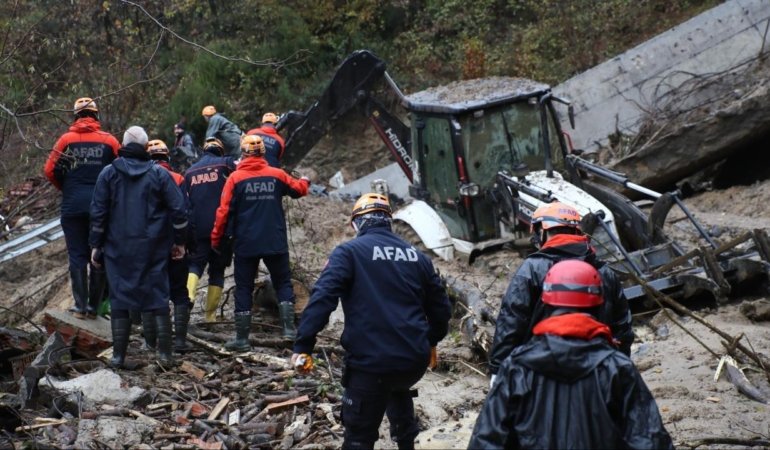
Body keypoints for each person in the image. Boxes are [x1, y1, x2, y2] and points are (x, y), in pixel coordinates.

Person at [292, 193, 452, 450]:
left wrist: (303, 345)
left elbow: (323, 298)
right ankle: (406, 439)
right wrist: (431, 341)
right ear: (388, 221)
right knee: (397, 386)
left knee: (358, 436)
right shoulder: (417, 256)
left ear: (357, 223)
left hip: (372, 365)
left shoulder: (349, 252)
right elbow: (442, 309)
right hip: (414, 361)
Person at [468, 259, 673, 449]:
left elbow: (487, 441)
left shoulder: (517, 367)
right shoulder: (618, 368)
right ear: (598, 304)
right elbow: (650, 441)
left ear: (546, 303)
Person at [487, 201, 634, 386]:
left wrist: (498, 368)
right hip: (597, 372)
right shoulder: (604, 271)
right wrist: (619, 367)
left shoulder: (532, 269)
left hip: (542, 374)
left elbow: (511, 321)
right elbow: (622, 327)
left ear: (542, 232)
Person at [89, 126, 188, 368]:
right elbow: (179, 210)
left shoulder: (107, 174)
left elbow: (98, 213)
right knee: (157, 296)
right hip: (153, 247)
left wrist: (96, 245)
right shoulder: (159, 174)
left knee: (119, 298)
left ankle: (118, 357)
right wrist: (180, 241)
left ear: (123, 145)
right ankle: (165, 355)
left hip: (117, 249)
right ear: (146, 148)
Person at [210, 134, 310, 348]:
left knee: (244, 287)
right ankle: (289, 332)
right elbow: (298, 190)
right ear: (263, 152)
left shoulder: (235, 179)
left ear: (243, 153)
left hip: (246, 242)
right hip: (275, 239)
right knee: (283, 283)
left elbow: (223, 212)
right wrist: (305, 180)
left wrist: (216, 238)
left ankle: (242, 339)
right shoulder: (277, 175)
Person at [44, 97, 120, 320]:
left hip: (73, 206)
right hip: (102, 208)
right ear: (96, 115)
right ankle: (93, 308)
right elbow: (122, 170)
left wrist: (67, 188)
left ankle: (79, 306)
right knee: (98, 255)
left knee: (77, 255)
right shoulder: (110, 141)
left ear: (76, 116)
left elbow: (49, 170)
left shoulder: (65, 140)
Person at [183, 137, 237, 322]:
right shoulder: (226, 164)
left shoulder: (190, 172)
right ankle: (210, 316)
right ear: (220, 151)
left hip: (198, 228)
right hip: (221, 228)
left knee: (195, 265)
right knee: (217, 270)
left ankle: (188, 298)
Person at [147, 139, 193, 353]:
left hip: (150, 245)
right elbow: (184, 211)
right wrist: (181, 242)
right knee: (180, 292)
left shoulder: (142, 179)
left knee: (152, 292)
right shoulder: (178, 178)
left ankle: (152, 342)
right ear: (167, 157)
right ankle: (180, 341)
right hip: (175, 243)